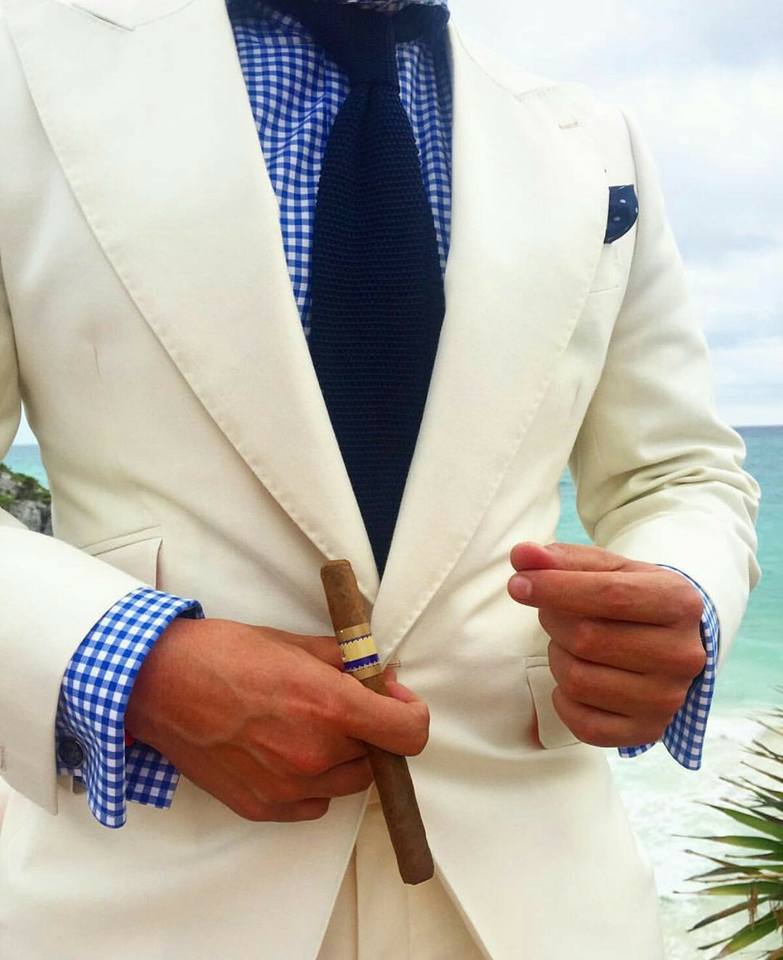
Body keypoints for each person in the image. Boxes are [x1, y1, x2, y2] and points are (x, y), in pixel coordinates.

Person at [0, 0, 761, 957]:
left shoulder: (592, 138)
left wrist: (680, 597)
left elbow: (679, 471)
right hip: (141, 899)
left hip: (547, 899)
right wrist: (133, 667)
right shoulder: (22, 71)